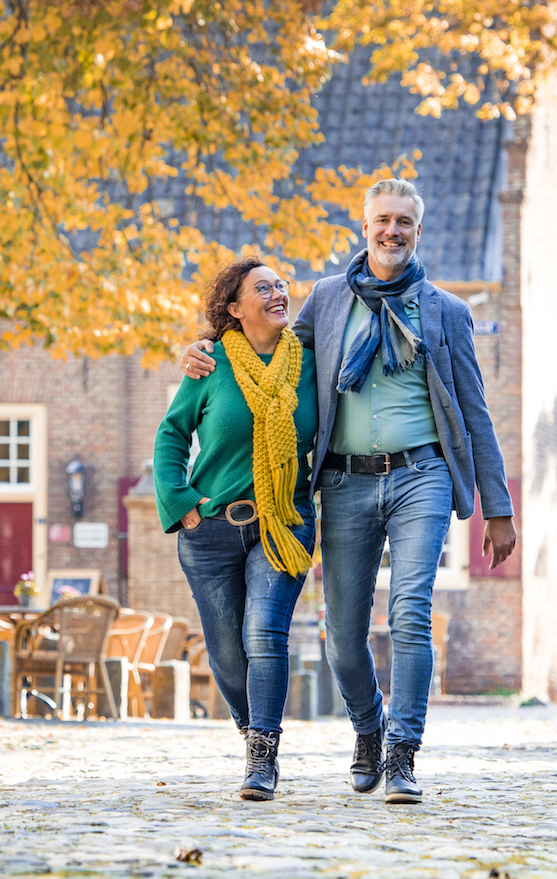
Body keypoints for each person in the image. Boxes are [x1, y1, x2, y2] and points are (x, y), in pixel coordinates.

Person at [181, 177, 518, 804]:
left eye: (405, 223)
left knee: (411, 612)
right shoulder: (328, 301)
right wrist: (204, 350)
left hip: (423, 474)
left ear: (420, 231)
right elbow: (268, 354)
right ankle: (369, 727)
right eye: (382, 221)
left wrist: (497, 508)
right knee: (342, 632)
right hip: (341, 480)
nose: (393, 231)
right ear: (364, 229)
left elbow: (474, 412)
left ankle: (403, 756)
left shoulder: (446, 312)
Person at [154, 257, 318, 801]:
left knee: (264, 633)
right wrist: (184, 505)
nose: (277, 293)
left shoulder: (311, 362)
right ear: (234, 308)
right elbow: (172, 436)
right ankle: (252, 733)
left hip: (284, 523)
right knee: (226, 654)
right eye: (262, 287)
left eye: (280, 285)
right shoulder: (210, 364)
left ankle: (262, 758)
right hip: (212, 530)